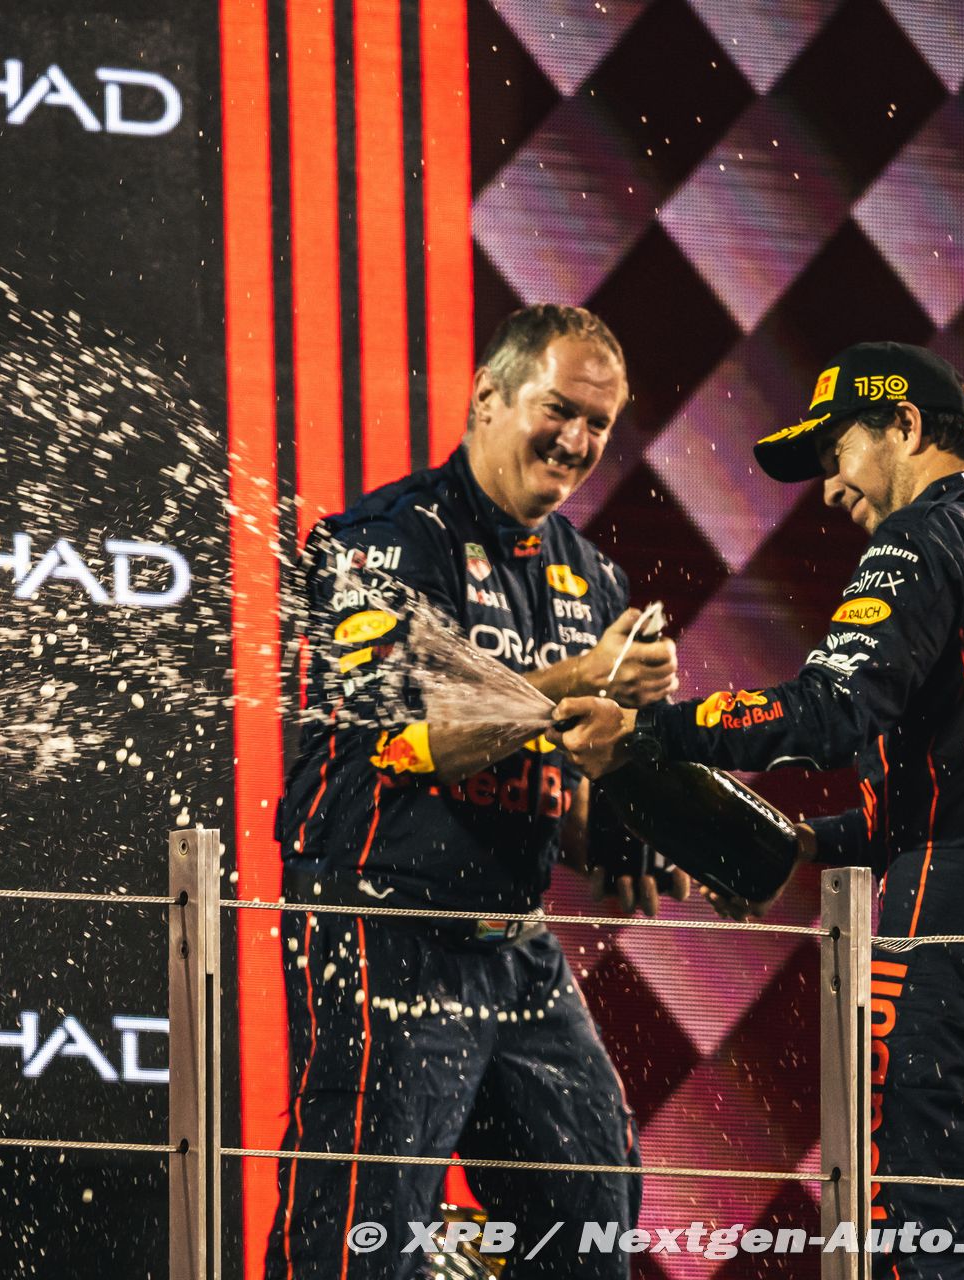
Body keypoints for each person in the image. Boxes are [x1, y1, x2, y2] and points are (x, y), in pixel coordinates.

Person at [556, 342, 964, 1277]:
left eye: (838, 451)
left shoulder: (921, 540)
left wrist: (651, 731)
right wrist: (807, 842)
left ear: (905, 425)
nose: (829, 487)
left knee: (919, 1250)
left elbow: (828, 713)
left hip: (949, 959)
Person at [265, 304, 685, 1280]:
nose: (576, 440)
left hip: (512, 936)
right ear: (488, 396)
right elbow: (405, 744)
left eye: (599, 424)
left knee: (591, 1212)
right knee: (363, 1232)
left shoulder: (594, 577)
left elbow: (562, 782)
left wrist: (637, 823)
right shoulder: (384, 541)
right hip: (385, 919)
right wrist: (584, 677)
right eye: (559, 409)